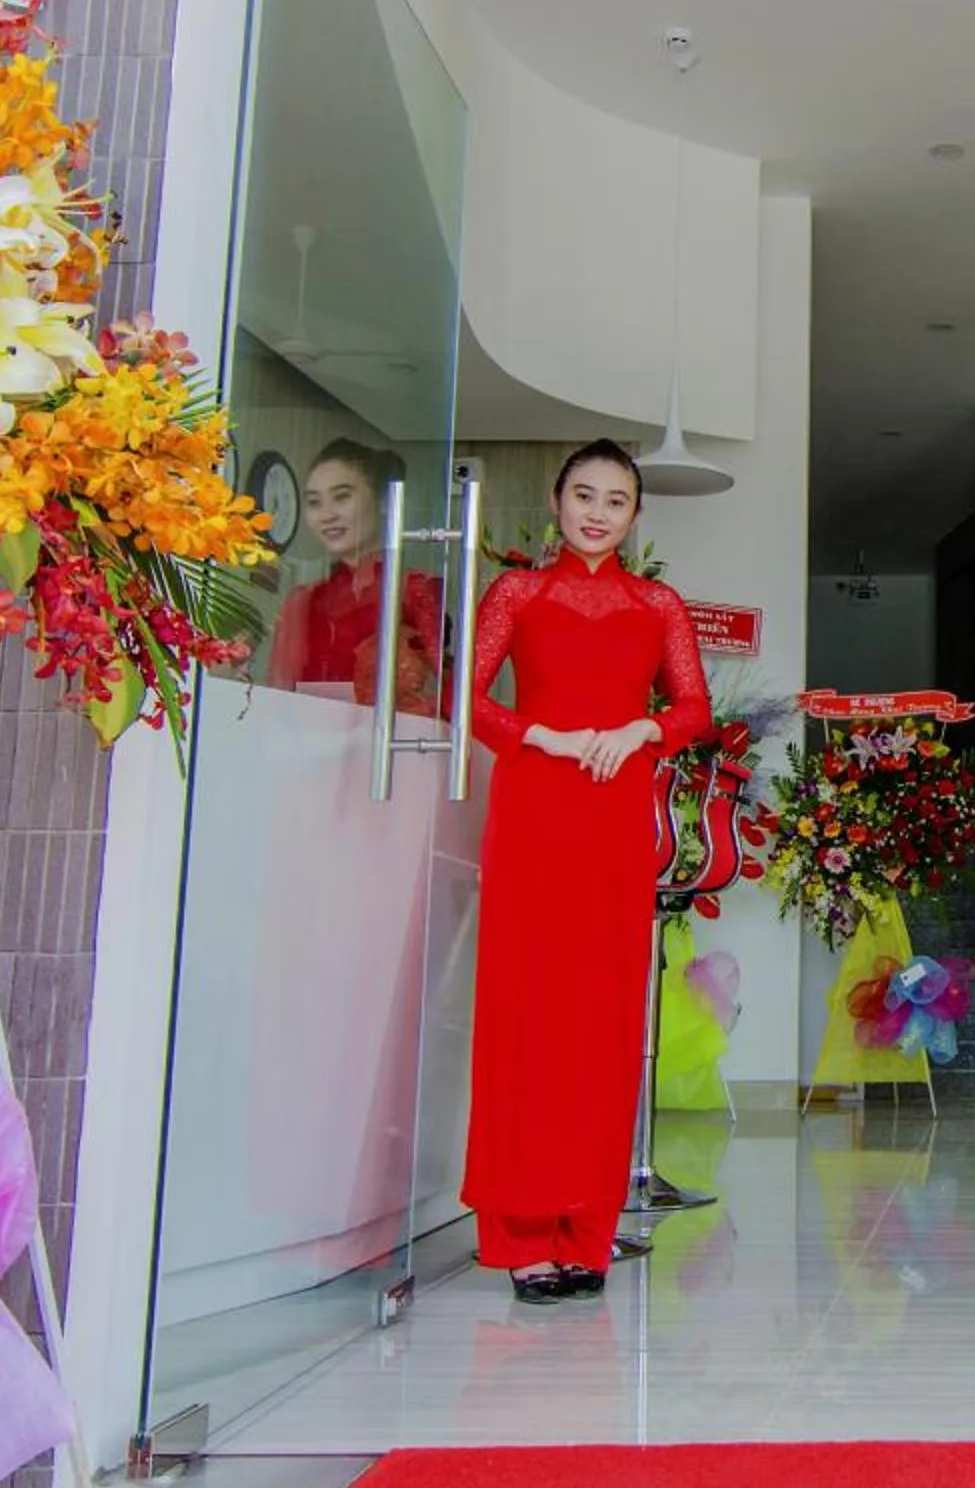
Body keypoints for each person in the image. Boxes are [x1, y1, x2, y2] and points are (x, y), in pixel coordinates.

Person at [463, 439, 712, 1303]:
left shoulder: (658, 605)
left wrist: (641, 731)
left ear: (636, 514)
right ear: (557, 501)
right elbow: (469, 697)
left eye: (615, 499)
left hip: (613, 821)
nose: (598, 511)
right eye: (583, 494)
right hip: (535, 810)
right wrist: (548, 736)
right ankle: (525, 1232)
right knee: (527, 1011)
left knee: (602, 1017)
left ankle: (588, 1233)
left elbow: (691, 708)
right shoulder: (518, 592)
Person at [265, 438, 446, 716]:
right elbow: (277, 698)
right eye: (314, 502)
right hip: (306, 747)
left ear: (384, 501)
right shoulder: (301, 601)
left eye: (342, 496)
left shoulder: (414, 590)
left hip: (387, 748)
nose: (327, 515)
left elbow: (451, 689)